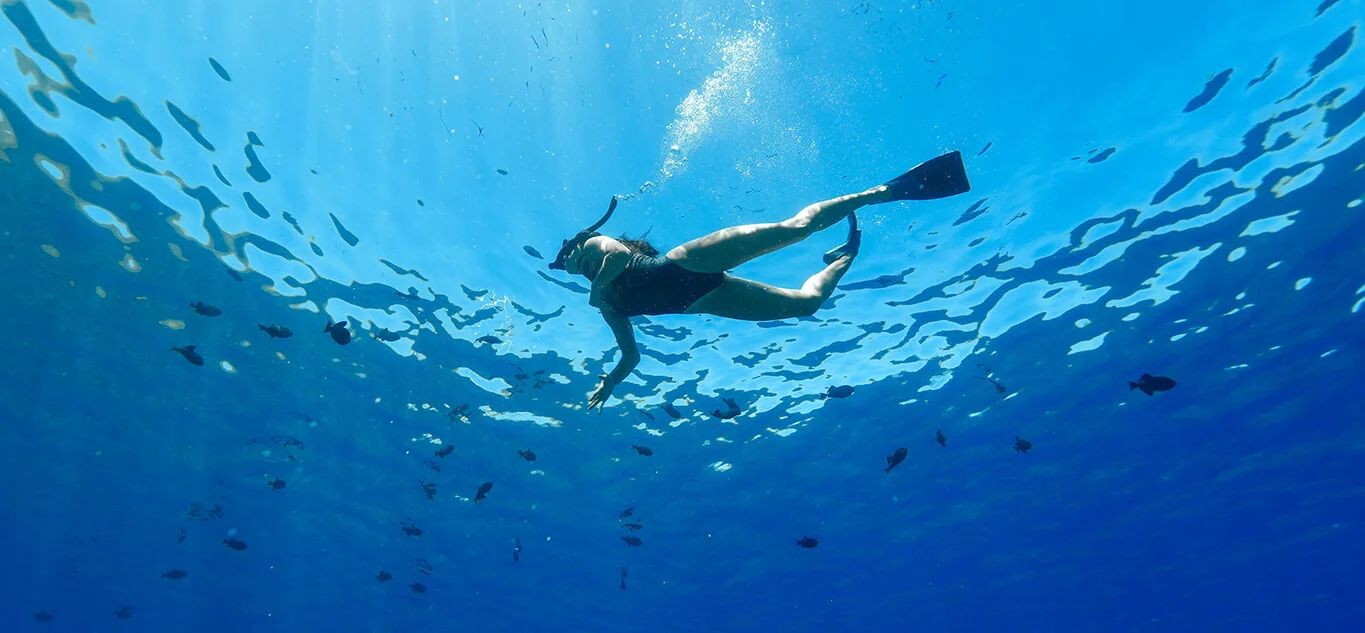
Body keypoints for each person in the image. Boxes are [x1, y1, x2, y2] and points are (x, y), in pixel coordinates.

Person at [547, 151, 971, 411]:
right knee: (807, 305)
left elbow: (619, 258)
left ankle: (887, 190)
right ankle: (844, 256)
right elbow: (631, 355)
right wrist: (610, 381)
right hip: (702, 300)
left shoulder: (596, 246)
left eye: (573, 258)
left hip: (686, 264)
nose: (576, 265)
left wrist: (596, 286)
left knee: (796, 229)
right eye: (572, 267)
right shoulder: (602, 302)